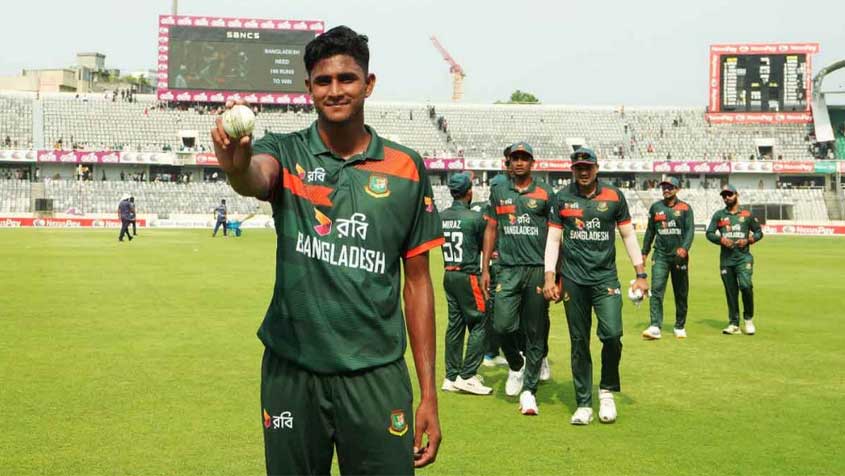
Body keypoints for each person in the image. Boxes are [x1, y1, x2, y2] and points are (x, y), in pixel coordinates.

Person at [210, 25, 442, 474]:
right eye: (323, 81)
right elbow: (256, 176)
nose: (335, 90)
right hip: (293, 371)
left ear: (368, 84)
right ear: (308, 88)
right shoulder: (285, 151)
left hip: (376, 375)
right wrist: (236, 167)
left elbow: (418, 284)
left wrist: (429, 394)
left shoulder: (406, 168)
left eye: (347, 78)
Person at [543, 147, 649, 425]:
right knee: (579, 342)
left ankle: (606, 391)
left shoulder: (614, 196)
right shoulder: (562, 198)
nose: (583, 171)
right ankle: (583, 404)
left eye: (588, 167)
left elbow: (628, 236)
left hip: (605, 278)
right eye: (578, 167)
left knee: (612, 335)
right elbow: (553, 239)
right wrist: (550, 277)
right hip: (573, 280)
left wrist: (641, 274)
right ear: (572, 170)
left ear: (596, 168)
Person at [481, 141, 553, 416]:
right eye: (515, 158)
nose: (520, 162)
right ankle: (515, 365)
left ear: (533, 163)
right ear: (509, 162)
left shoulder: (546, 192)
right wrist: (485, 268)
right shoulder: (499, 191)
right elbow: (491, 228)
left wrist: (554, 274)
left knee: (535, 331)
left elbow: (555, 235)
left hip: (536, 269)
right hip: (507, 269)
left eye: (524, 158)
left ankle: (529, 391)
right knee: (501, 325)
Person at [440, 172, 493, 395]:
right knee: (481, 321)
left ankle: (451, 376)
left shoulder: (442, 216)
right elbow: (486, 243)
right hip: (468, 274)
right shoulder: (474, 218)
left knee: (455, 325)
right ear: (469, 192)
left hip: (448, 274)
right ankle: (467, 375)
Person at [640, 177, 694, 339]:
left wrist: (684, 248)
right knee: (656, 289)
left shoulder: (685, 208)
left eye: (670, 187)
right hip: (660, 255)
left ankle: (679, 325)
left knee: (681, 292)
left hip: (679, 257)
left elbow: (690, 231)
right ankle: (655, 326)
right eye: (664, 187)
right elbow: (650, 231)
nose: (666, 190)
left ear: (677, 189)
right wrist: (644, 252)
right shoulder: (656, 208)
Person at [706, 185, 763, 335]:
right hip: (726, 260)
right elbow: (709, 233)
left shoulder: (746, 214)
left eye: (729, 194)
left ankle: (748, 319)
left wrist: (748, 240)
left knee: (746, 286)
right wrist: (721, 240)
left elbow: (759, 232)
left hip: (743, 258)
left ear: (736, 195)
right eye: (724, 195)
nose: (726, 197)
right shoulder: (719, 215)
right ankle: (734, 323)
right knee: (731, 292)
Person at [479, 144, 512, 368]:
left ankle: (496, 351)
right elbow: (490, 230)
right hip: (499, 261)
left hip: (509, 260)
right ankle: (491, 352)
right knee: (497, 310)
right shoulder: (500, 187)